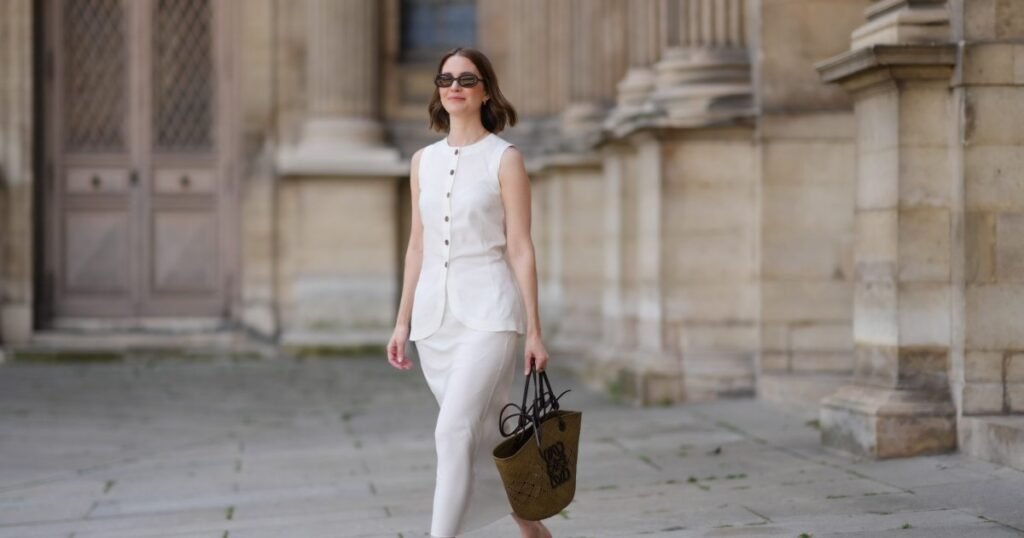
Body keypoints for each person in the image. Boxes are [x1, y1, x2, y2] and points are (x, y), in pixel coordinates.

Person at [386, 46, 553, 538]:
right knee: (482, 439)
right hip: (433, 324)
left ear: (485, 92)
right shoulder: (422, 162)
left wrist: (534, 331)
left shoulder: (505, 158)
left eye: (466, 79)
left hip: (491, 316)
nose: (454, 87)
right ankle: (533, 530)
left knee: (452, 431)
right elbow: (417, 246)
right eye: (445, 79)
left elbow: (521, 247)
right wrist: (401, 322)